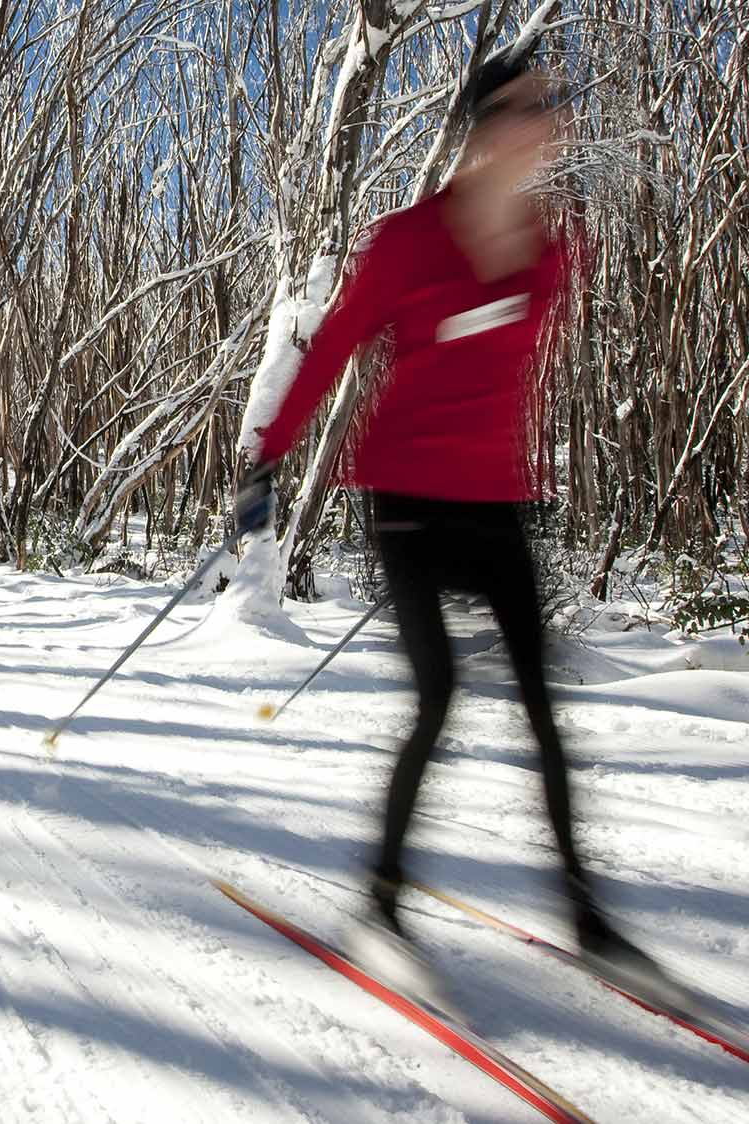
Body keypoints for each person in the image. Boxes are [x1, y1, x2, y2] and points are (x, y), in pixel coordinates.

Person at [237, 53, 658, 978]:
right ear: (482, 124)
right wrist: (267, 455)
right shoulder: (406, 242)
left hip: (502, 501)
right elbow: (336, 343)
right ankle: (381, 908)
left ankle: (590, 922)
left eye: (552, 105)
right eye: (525, 106)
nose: (546, 120)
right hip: (410, 502)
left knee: (546, 714)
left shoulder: (554, 247)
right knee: (438, 700)